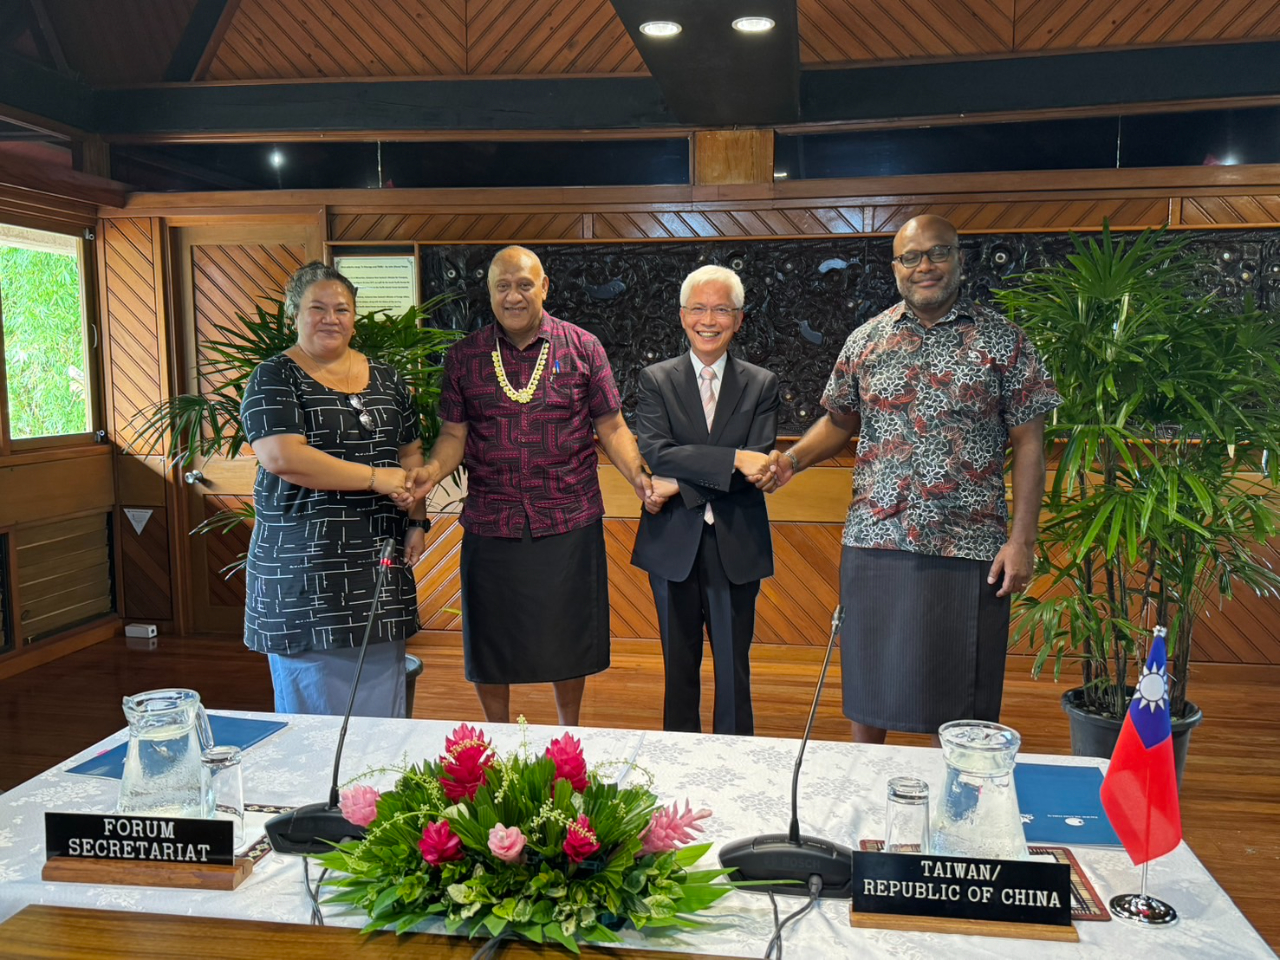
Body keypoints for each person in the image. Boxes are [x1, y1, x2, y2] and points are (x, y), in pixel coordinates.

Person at [762, 215, 1062, 744]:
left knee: (962, 699)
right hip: (877, 538)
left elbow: (1030, 443)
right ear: (895, 267)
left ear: (959, 259)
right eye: (911, 257)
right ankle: (864, 790)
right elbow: (840, 421)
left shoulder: (1005, 341)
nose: (925, 266)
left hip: (970, 546)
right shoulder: (866, 340)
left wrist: (1022, 541)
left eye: (937, 253)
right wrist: (791, 462)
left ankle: (958, 806)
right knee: (870, 688)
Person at [409, 245, 652, 726]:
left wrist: (640, 479)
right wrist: (430, 474)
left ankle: (569, 732)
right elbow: (453, 435)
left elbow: (612, 426)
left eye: (524, 284)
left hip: (568, 513)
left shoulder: (584, 347)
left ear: (544, 287)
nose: (513, 296)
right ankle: (496, 735)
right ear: (490, 292)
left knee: (569, 636)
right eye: (503, 286)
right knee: (490, 638)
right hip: (492, 517)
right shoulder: (465, 356)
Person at [240, 260, 426, 717]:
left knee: (382, 709)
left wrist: (417, 519)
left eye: (341, 309)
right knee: (314, 716)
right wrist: (375, 479)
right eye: (317, 308)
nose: (331, 318)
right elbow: (284, 457)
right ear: (293, 315)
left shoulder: (387, 379)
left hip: (378, 566)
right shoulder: (274, 377)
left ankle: (375, 793)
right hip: (305, 571)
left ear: (354, 318)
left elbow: (410, 453)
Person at [631, 265, 779, 735]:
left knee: (734, 669)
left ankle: (739, 763)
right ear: (682, 316)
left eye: (721, 310)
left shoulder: (761, 384)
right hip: (673, 543)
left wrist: (678, 483)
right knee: (678, 669)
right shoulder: (656, 379)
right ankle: (678, 761)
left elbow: (756, 472)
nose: (708, 319)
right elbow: (656, 451)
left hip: (736, 542)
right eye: (698, 308)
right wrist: (733, 456)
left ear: (738, 319)